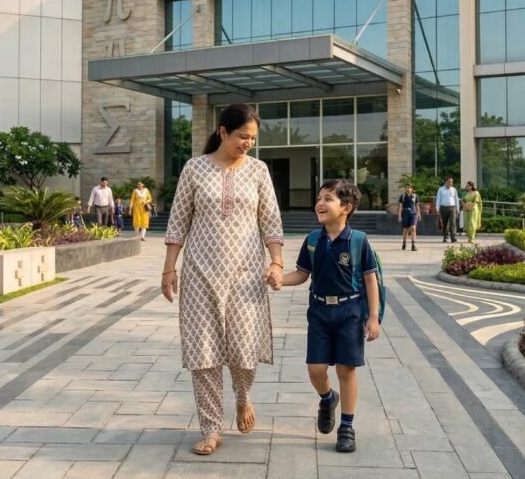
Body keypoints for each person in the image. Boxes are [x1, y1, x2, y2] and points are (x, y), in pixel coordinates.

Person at [161, 103, 284, 457]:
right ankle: (211, 428)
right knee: (204, 353)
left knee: (244, 351)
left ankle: (243, 398)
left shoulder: (258, 171)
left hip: (246, 275)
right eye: (242, 136)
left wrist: (276, 263)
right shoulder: (194, 168)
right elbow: (178, 221)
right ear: (223, 131)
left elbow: (271, 222)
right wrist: (170, 269)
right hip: (199, 274)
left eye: (253, 138)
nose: (248, 143)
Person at [269, 179, 379, 454]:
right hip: (318, 311)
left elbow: (370, 280)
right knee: (316, 369)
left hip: (349, 311)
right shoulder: (312, 240)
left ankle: (346, 427)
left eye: (328, 198)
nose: (320, 203)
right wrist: (280, 279)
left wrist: (373, 317)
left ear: (346, 207)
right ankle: (328, 398)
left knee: (346, 369)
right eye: (319, 198)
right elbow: (303, 274)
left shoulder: (358, 241)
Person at [435, 176, 459, 244]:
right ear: (446, 181)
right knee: (445, 224)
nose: (450, 183)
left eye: (451, 182)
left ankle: (453, 238)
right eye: (449, 182)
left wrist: (458, 209)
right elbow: (438, 199)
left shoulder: (454, 189)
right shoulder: (441, 189)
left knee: (453, 223)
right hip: (443, 208)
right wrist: (437, 208)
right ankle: (445, 237)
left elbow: (456, 199)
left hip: (452, 208)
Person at [396, 184, 420, 251]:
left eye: (409, 188)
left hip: (413, 213)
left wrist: (419, 215)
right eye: (406, 188)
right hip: (405, 213)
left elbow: (417, 206)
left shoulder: (415, 196)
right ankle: (404, 243)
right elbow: (400, 206)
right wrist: (399, 215)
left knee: (413, 228)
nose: (408, 189)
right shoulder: (402, 196)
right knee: (405, 230)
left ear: (412, 189)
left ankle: (413, 245)